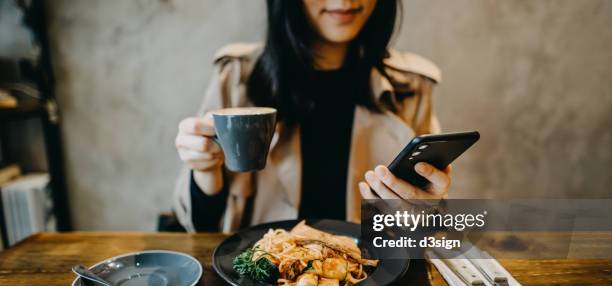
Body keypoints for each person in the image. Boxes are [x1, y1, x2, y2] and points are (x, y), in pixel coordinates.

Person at [173, 0, 451, 233]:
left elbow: (422, 237)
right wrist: (205, 172)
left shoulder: (414, 88)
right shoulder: (236, 77)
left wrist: (425, 215)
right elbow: (198, 227)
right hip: (258, 284)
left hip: (365, 282)